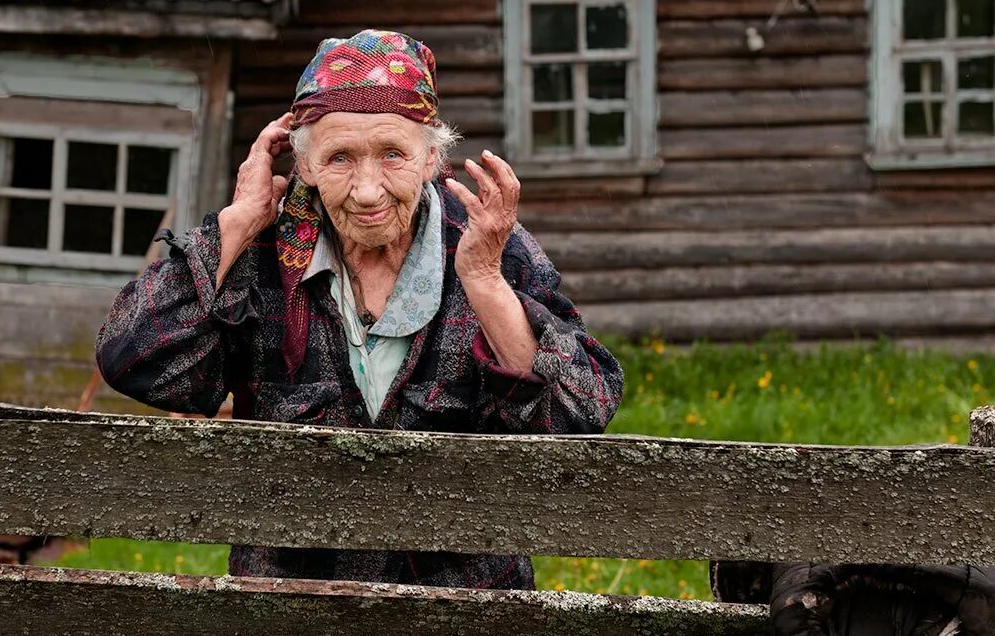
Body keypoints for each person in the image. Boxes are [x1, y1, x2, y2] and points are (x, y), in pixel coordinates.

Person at [96, 29, 623, 589]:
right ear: (305, 166)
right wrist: (239, 220)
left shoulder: (488, 245)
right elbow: (133, 360)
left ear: (432, 159)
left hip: (461, 626)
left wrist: (484, 281)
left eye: (392, 154)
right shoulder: (264, 254)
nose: (367, 191)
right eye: (340, 158)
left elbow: (577, 414)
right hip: (295, 620)